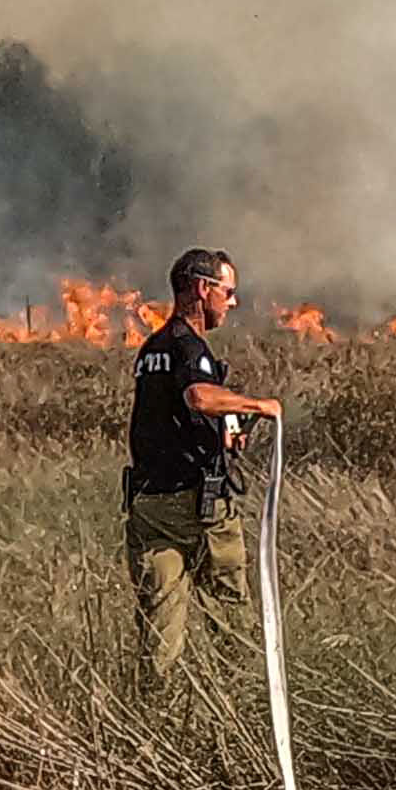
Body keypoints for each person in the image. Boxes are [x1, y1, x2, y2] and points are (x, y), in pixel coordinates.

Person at [123, 247, 282, 687]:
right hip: (199, 509)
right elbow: (199, 397)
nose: (232, 303)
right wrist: (260, 405)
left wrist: (223, 435)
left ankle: (153, 719)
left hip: (150, 505)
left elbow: (170, 419)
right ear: (202, 288)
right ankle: (243, 703)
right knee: (232, 620)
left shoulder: (153, 349)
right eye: (228, 292)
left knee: (160, 629)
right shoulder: (190, 347)